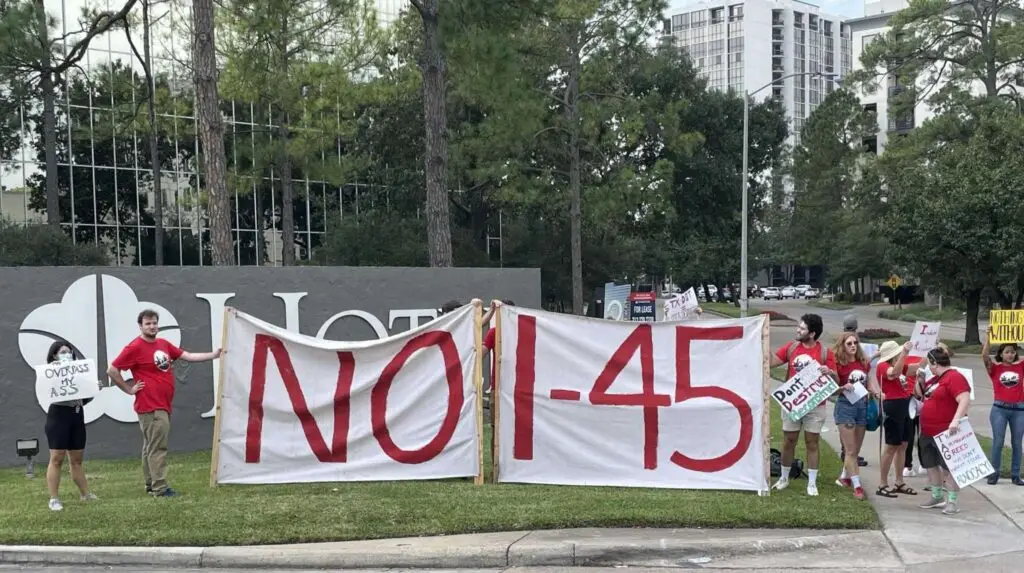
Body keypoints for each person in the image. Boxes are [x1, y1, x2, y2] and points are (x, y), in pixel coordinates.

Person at [107, 309, 223, 497]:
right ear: (140, 326)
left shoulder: (163, 344)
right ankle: (160, 487)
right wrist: (129, 390)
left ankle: (151, 484)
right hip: (150, 406)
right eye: (148, 323)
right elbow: (112, 370)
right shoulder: (134, 347)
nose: (152, 326)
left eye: (154, 323)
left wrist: (214, 355)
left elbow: (188, 356)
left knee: (150, 446)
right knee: (157, 447)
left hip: (162, 403)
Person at [770, 313, 837, 496]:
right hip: (793, 403)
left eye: (802, 328)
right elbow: (771, 362)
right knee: (788, 441)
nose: (797, 330)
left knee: (812, 442)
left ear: (812, 333)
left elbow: (836, 380)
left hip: (816, 404)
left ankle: (812, 483)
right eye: (798, 327)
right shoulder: (792, 348)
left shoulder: (825, 353)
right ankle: (783, 478)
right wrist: (761, 339)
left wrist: (829, 372)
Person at [43, 340, 99, 511]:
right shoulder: (50, 372)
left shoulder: (79, 372)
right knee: (57, 458)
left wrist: (93, 389)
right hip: (59, 415)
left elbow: (82, 399)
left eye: (68, 351)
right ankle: (54, 498)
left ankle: (85, 494)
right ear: (54, 355)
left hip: (76, 414)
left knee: (76, 460)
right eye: (62, 352)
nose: (66, 354)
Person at [917, 346, 972, 514]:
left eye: (929, 364)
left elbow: (964, 398)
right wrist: (919, 378)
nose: (929, 368)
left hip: (946, 431)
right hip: (928, 429)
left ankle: (953, 501)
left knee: (949, 467)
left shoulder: (954, 377)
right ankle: (937, 495)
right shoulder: (935, 380)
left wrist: (955, 421)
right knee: (930, 464)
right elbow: (920, 395)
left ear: (935, 363)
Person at [832, 332, 881, 500]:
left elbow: (870, 382)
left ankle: (845, 477)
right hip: (845, 406)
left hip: (862, 405)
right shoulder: (838, 364)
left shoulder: (863, 363)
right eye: (849, 343)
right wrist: (843, 387)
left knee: (855, 449)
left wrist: (877, 392)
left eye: (855, 343)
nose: (853, 346)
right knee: (850, 450)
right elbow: (832, 389)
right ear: (842, 346)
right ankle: (858, 486)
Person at [874, 340, 923, 498]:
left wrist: (927, 353)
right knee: (891, 446)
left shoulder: (900, 364)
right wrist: (904, 353)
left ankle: (899, 481)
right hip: (893, 405)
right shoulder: (883, 366)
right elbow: (893, 373)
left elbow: (915, 369)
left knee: (903, 444)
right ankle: (882, 483)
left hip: (904, 403)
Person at [981, 326, 1024, 485]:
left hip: (1019, 409)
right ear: (1000, 354)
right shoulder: (996, 368)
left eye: (1012, 352)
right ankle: (994, 473)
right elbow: (984, 356)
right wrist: (988, 336)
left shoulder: (1020, 366)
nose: (1010, 354)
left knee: (1017, 443)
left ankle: (1015, 474)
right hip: (1000, 409)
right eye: (1006, 352)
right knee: (998, 442)